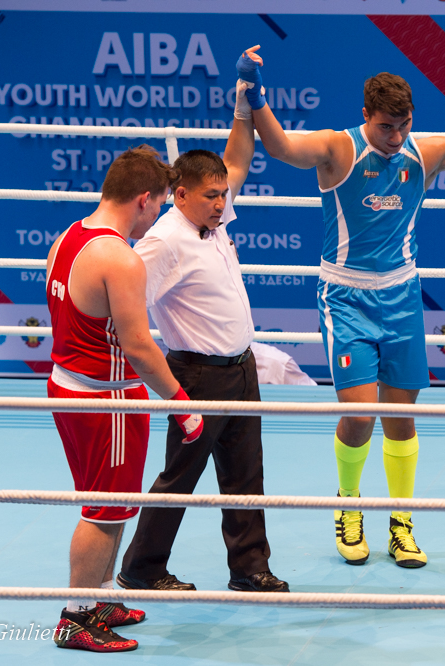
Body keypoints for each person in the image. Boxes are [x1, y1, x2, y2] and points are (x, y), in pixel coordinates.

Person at [244, 47, 445, 568]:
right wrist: (254, 96)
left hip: (401, 296)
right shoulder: (337, 149)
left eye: (404, 125)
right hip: (345, 296)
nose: (396, 137)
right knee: (358, 415)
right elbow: (281, 147)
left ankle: (401, 522)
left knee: (400, 416)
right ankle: (348, 507)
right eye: (386, 127)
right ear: (367, 116)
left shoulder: (426, 152)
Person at [118, 46, 289, 595]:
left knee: (246, 476)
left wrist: (244, 96)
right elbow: (118, 284)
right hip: (195, 376)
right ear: (180, 194)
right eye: (212, 196)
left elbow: (236, 159)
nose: (223, 202)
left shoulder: (210, 220)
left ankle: (250, 569)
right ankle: (140, 570)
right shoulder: (162, 240)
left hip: (240, 370)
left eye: (224, 195)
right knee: (180, 478)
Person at [45, 145, 204, 653]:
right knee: (104, 511)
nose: (156, 215)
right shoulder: (120, 258)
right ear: (142, 199)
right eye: (158, 204)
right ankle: (76, 619)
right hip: (105, 400)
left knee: (107, 503)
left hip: (68, 385)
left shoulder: (68, 236)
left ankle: (98, 601)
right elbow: (138, 346)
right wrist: (183, 402)